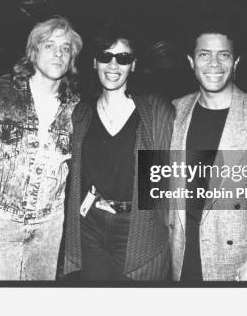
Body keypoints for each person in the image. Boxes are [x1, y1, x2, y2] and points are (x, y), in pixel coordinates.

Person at [168, 26, 247, 282]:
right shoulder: (175, 111)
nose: (214, 63)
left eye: (223, 55)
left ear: (236, 62)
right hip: (182, 261)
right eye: (204, 54)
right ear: (191, 61)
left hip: (241, 265)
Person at [0, 16, 82, 280]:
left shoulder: (76, 107)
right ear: (33, 52)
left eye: (65, 48)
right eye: (49, 45)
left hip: (49, 225)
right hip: (0, 220)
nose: (58, 53)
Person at [63, 25, 173, 280]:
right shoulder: (80, 113)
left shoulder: (154, 111)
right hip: (90, 224)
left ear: (132, 65)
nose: (113, 65)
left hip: (136, 226)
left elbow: (170, 174)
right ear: (94, 62)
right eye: (105, 56)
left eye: (123, 58)